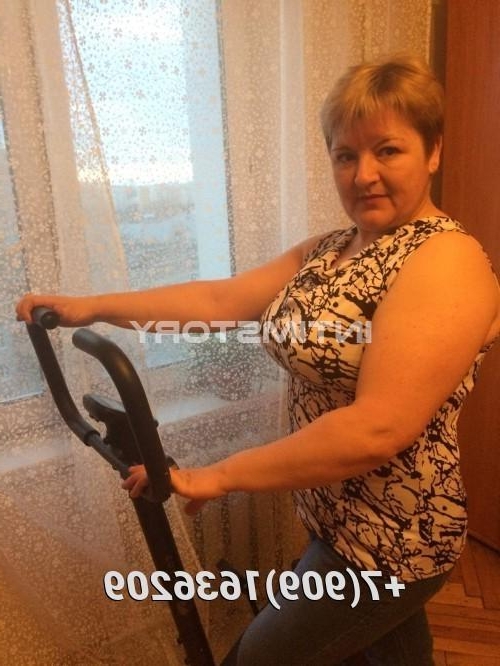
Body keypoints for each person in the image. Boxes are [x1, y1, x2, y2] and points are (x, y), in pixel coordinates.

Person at [16, 54, 500, 665]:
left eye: (388, 150)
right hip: (334, 518)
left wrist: (219, 475)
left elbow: (378, 427)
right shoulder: (331, 250)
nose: (364, 175)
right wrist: (92, 307)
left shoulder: (446, 260)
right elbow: (219, 300)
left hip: (393, 543)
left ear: (433, 151)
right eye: (345, 155)